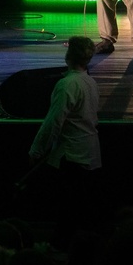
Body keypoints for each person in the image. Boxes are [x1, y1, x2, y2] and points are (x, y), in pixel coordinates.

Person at [28, 35, 102, 249]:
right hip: (90, 154)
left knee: (67, 211)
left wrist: (36, 150)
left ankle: (59, 250)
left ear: (69, 55)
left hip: (71, 156)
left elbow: (53, 122)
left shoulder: (67, 84)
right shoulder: (90, 82)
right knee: (79, 211)